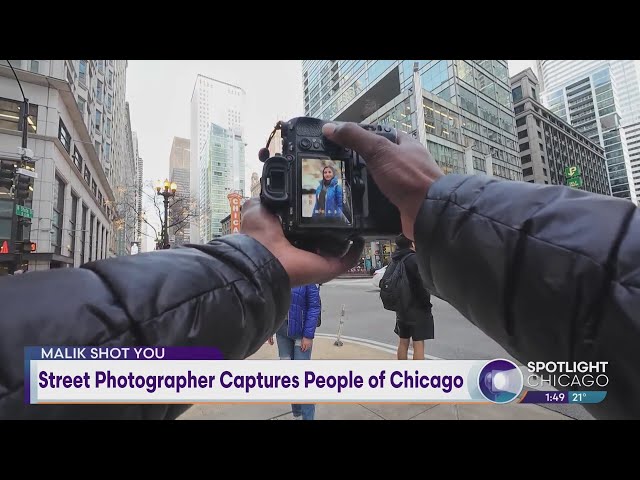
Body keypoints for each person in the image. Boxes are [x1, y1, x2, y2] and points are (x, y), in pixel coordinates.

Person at [1, 119, 638, 421]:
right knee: (298, 370)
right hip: (275, 306)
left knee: (305, 370)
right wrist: (443, 207)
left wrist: (255, 267)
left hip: (282, 306)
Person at [267, 283, 320, 420]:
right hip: (281, 333)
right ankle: (297, 413)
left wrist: (308, 336)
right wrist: (269, 329)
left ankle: (308, 417)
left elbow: (314, 307)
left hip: (301, 333)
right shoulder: (277, 276)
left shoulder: (308, 276)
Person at [388, 233, 433, 361]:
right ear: (412, 243)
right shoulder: (413, 259)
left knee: (403, 342)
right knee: (418, 344)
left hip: (401, 308)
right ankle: (416, 376)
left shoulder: (395, 260)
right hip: (417, 307)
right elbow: (423, 284)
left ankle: (403, 373)